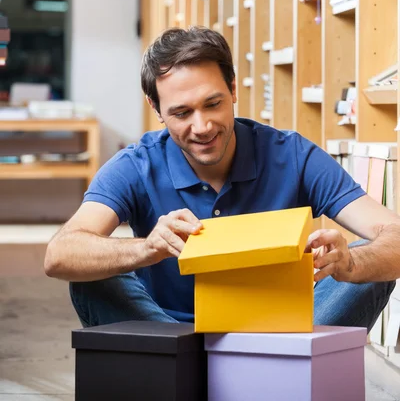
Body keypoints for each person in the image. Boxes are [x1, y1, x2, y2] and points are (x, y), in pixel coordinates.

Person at [45, 26, 399, 330]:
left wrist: (351, 264)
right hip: (172, 336)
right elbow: (60, 253)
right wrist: (147, 248)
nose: (202, 127)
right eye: (181, 113)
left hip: (283, 333)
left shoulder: (291, 154)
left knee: (369, 263)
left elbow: (394, 237)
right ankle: (206, 376)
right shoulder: (136, 164)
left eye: (212, 104)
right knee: (91, 277)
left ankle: (239, 379)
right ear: (156, 110)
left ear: (232, 89)